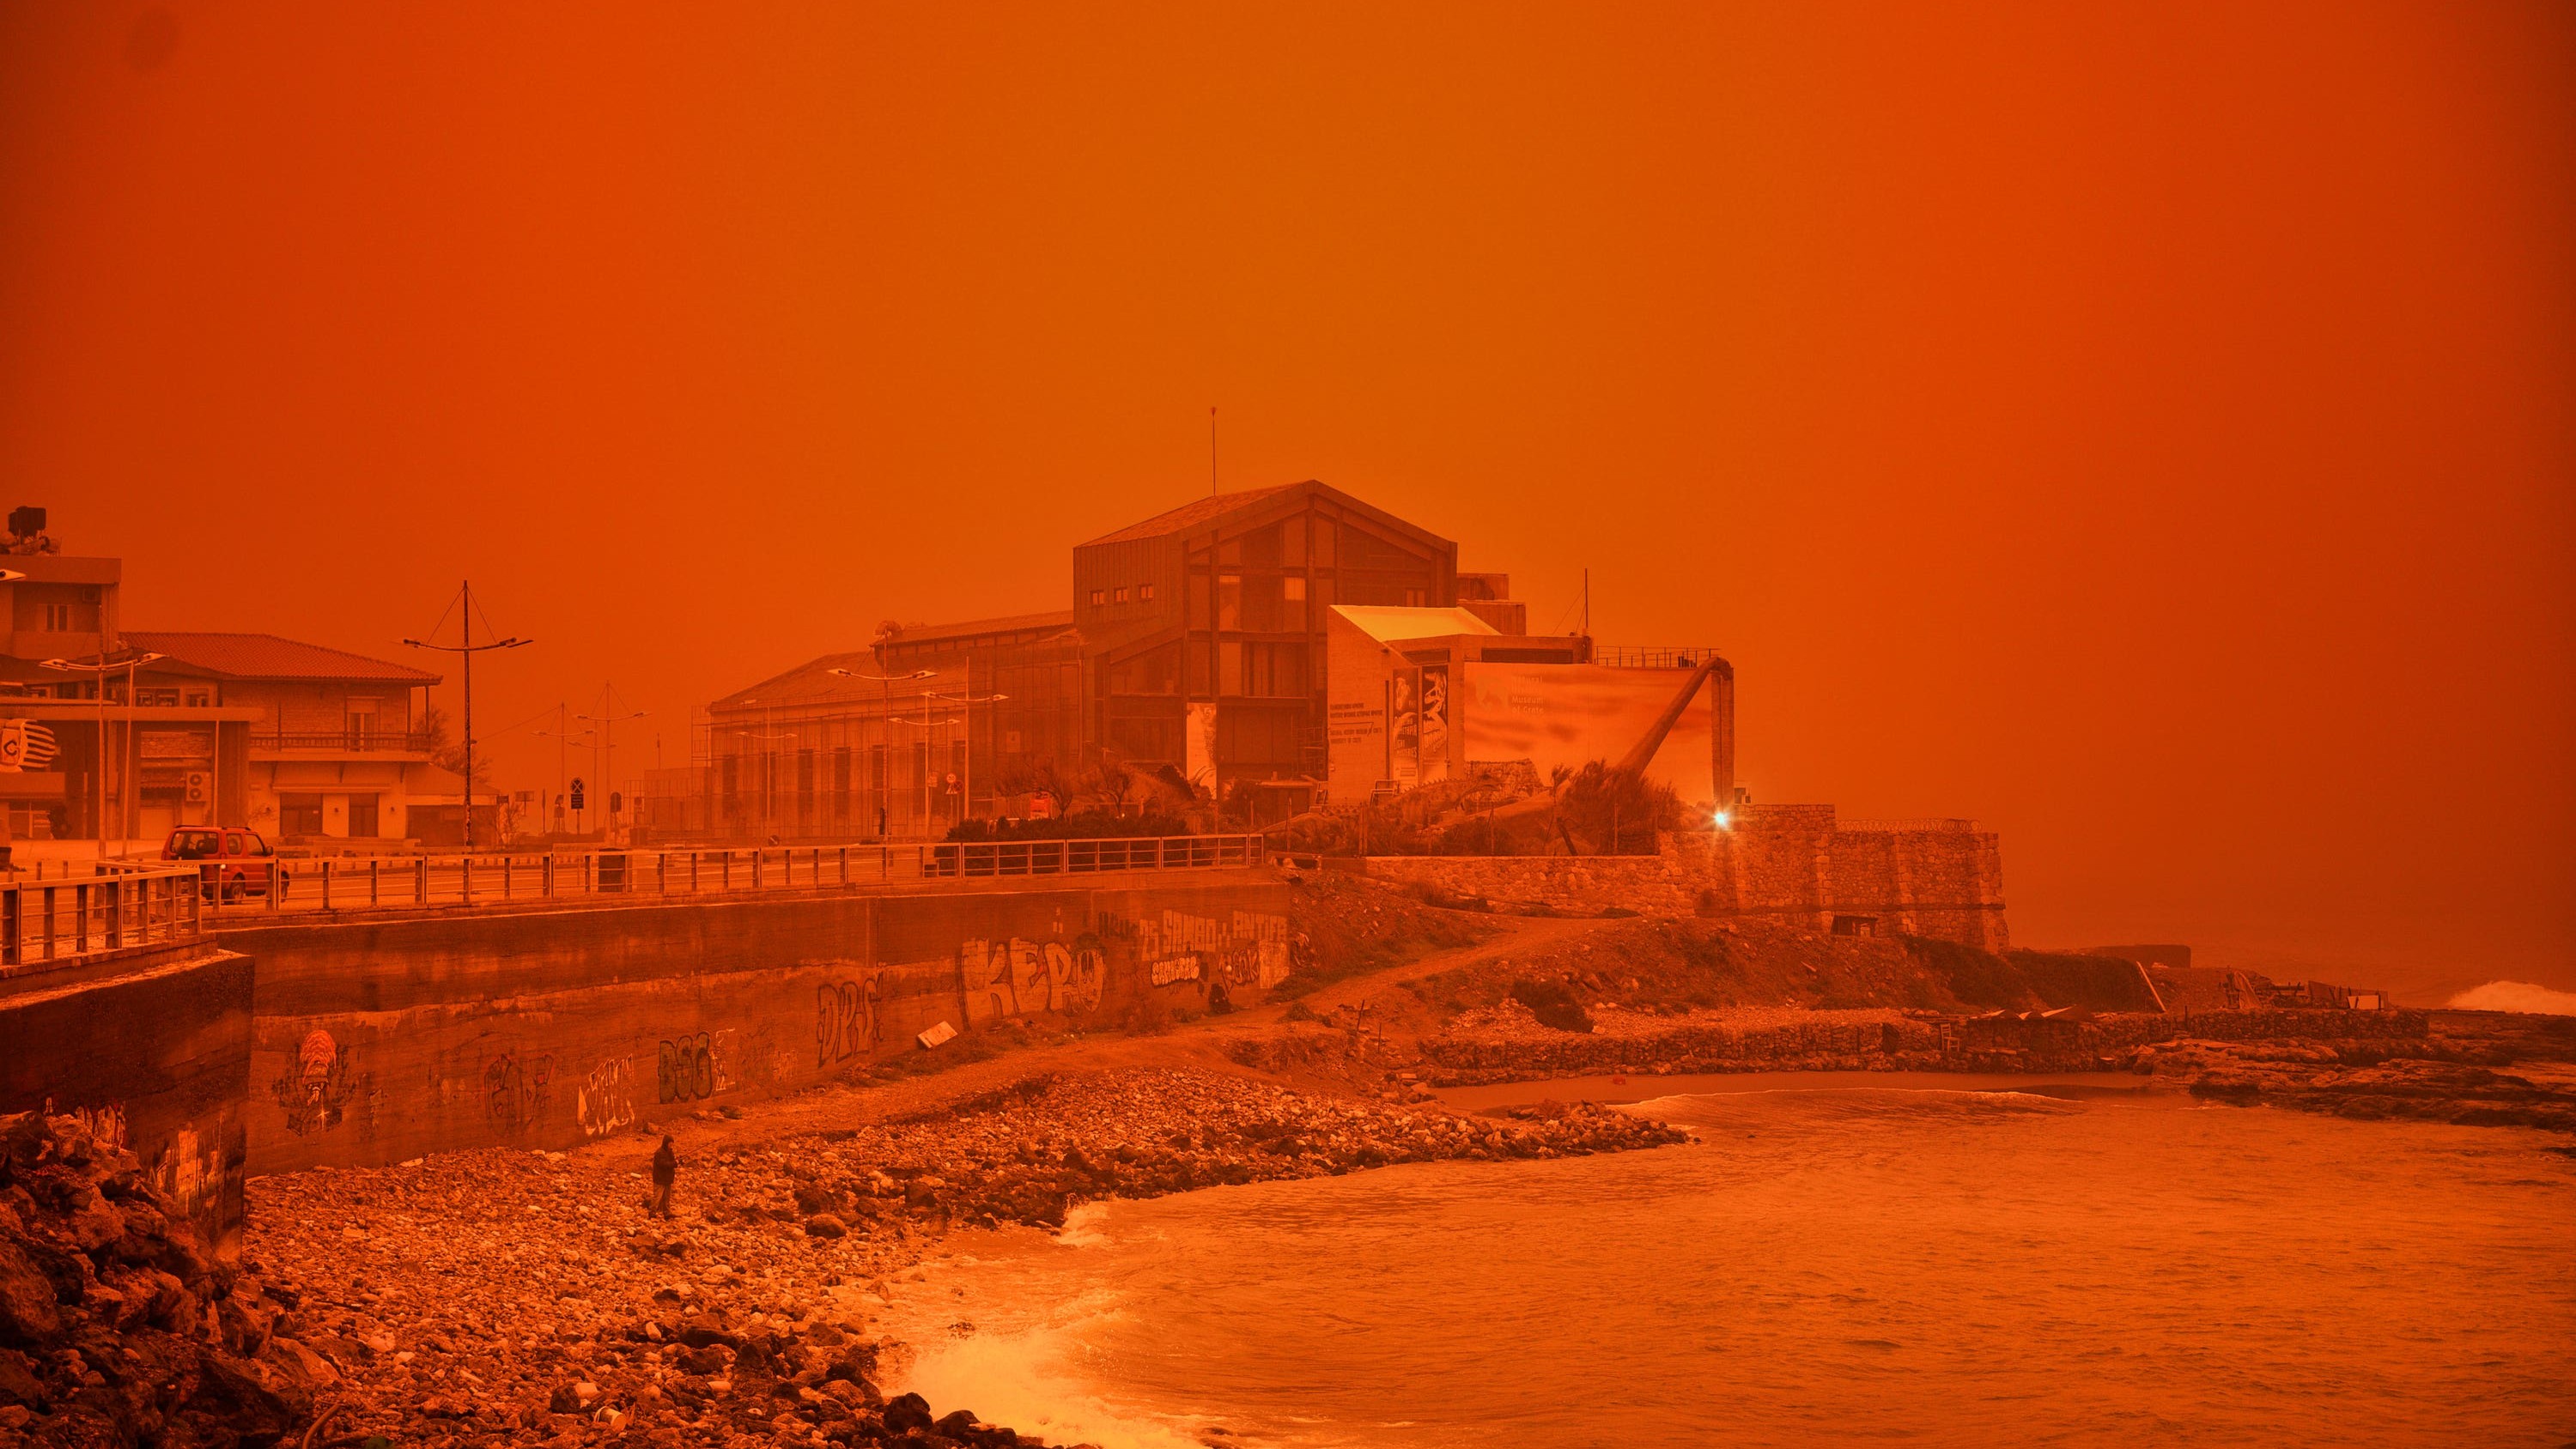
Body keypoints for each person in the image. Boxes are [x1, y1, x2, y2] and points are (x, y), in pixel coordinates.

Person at [649, 1134, 677, 1217]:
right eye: (670, 1144)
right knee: (657, 1197)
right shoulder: (659, 1153)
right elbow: (664, 1165)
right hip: (660, 1179)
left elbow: (672, 1162)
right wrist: (674, 1163)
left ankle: (667, 1213)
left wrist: (677, 1163)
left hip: (667, 1179)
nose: (671, 1146)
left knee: (667, 1198)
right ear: (666, 1143)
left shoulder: (670, 1152)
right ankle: (652, 1212)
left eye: (672, 1144)